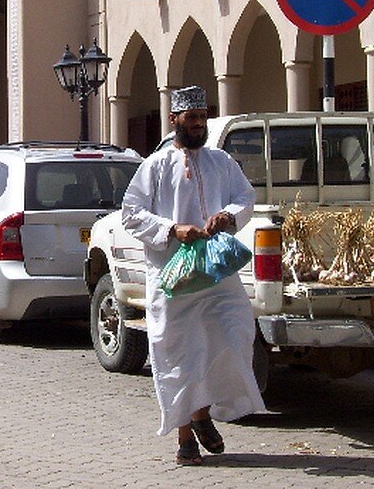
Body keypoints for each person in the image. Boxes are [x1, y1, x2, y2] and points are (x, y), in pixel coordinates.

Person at [120, 85, 265, 466]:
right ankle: (186, 434)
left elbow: (245, 197)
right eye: (192, 118)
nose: (199, 124)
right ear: (175, 120)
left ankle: (204, 411)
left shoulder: (221, 162)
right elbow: (131, 213)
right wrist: (172, 229)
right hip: (173, 277)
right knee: (179, 353)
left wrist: (229, 216)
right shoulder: (155, 166)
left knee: (234, 336)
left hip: (216, 272)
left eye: (203, 117)